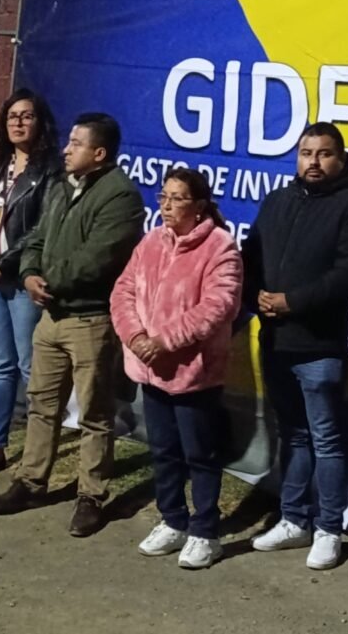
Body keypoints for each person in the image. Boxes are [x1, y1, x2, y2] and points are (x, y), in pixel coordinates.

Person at [0, 112, 143, 538]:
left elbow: (98, 258)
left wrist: (48, 281)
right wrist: (29, 273)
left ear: (99, 153)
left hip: (90, 319)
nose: (66, 149)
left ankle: (91, 496)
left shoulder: (121, 197)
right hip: (51, 317)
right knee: (42, 404)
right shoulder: (61, 185)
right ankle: (31, 481)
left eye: (76, 143)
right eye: (68, 141)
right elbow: (36, 238)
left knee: (94, 413)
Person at [241, 122, 348, 570]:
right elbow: (250, 257)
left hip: (321, 345)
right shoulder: (278, 200)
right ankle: (294, 519)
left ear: (341, 159)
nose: (313, 162)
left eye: (324, 154)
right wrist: (258, 297)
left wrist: (293, 301)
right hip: (276, 341)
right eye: (306, 153)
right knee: (293, 435)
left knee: (326, 439)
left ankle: (328, 528)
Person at [110, 168, 243, 569]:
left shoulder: (220, 247)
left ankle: (205, 531)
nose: (166, 205)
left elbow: (217, 307)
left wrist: (164, 341)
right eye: (163, 197)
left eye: (177, 198)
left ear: (199, 206)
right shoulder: (151, 241)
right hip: (151, 369)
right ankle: (173, 519)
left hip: (193, 374)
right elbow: (123, 291)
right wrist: (136, 338)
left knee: (199, 454)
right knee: (164, 450)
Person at [0, 89, 61, 482]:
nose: (18, 122)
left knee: (28, 366)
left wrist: (2, 264)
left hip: (22, 281)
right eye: (12, 116)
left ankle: (38, 454)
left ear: (40, 122)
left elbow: (42, 228)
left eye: (27, 116)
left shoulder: (49, 171)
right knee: (2, 366)